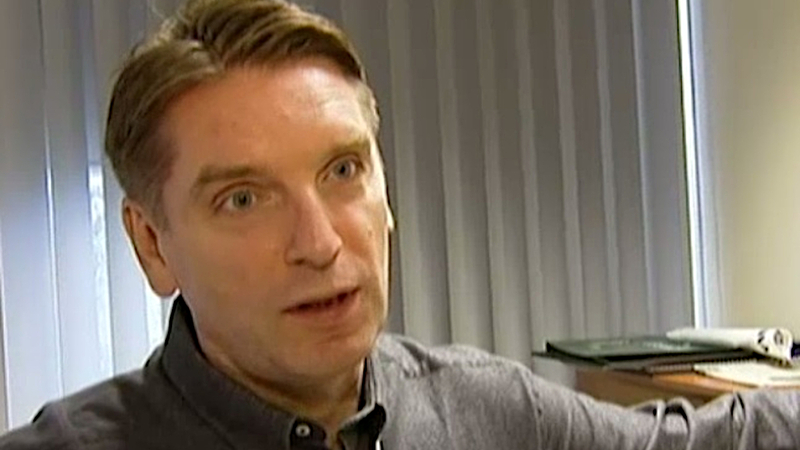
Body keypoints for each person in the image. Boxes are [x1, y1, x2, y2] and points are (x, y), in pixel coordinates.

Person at [1, 0, 799, 448]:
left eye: (342, 171)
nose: (320, 243)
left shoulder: (484, 411)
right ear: (151, 244)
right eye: (243, 199)